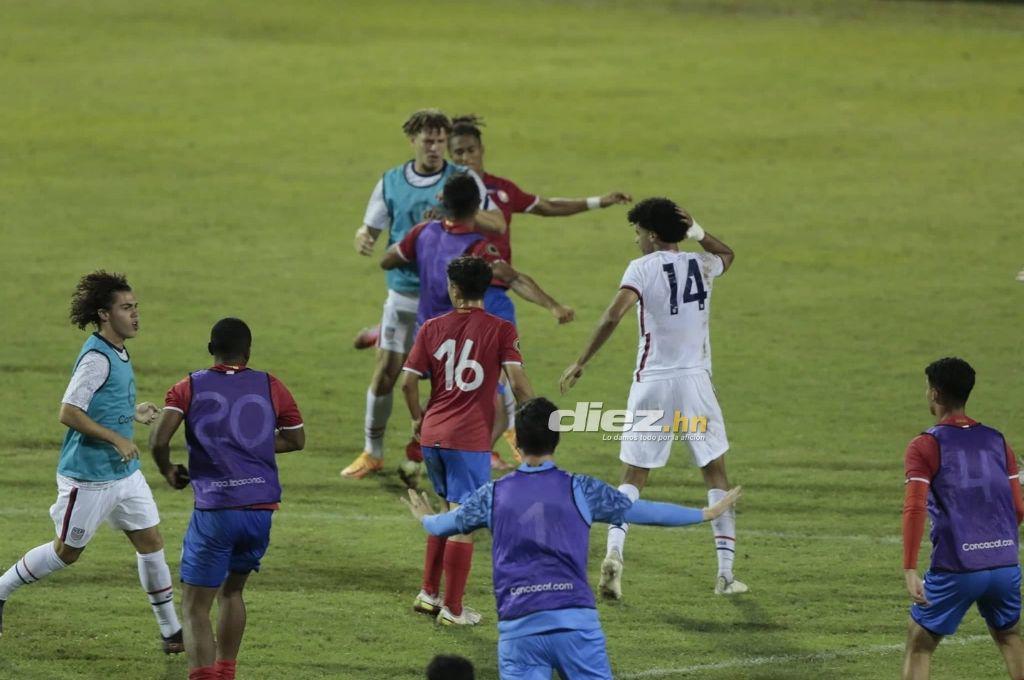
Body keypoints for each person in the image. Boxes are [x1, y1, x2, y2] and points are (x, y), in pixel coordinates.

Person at [402, 397, 741, 680]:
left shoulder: (493, 494)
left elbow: (448, 524)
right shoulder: (581, 488)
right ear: (557, 438)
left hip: (520, 630)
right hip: (576, 627)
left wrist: (425, 518)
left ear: (516, 442)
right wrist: (704, 514)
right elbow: (642, 510)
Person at [558, 197, 744, 598]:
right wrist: (697, 231)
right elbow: (727, 253)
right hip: (695, 382)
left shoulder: (641, 269)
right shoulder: (702, 264)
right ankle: (726, 574)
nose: (636, 241)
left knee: (633, 477)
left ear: (654, 235)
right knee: (714, 473)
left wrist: (581, 360)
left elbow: (613, 314)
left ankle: (614, 554)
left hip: (652, 382)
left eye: (639, 233)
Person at [0, 271, 183, 653]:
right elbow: (69, 412)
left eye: (136, 308)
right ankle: (1, 590)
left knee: (150, 542)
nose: (135, 315)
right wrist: (117, 437)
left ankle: (172, 633)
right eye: (126, 308)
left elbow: (101, 403)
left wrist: (130, 413)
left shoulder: (117, 349)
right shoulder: (96, 359)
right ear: (104, 314)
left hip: (123, 474)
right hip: (89, 477)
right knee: (66, 553)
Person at [448, 114, 630, 466]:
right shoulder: (446, 196)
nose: (464, 158)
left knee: (503, 376)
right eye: (457, 153)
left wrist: (598, 202)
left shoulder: (501, 190)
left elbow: (547, 206)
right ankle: (490, 447)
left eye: (470, 150)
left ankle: (502, 446)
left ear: (482, 149)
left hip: (495, 294)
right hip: (453, 297)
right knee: (473, 377)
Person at [343, 109, 507, 481]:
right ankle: (373, 452)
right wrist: (363, 238)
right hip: (404, 292)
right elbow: (368, 228)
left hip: (450, 299)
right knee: (387, 372)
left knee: (454, 383)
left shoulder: (463, 180)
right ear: (413, 141)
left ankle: (460, 451)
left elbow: (497, 223)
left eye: (439, 141)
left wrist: (457, 211)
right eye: (428, 140)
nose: (435, 148)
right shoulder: (391, 182)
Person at [149, 317, 305, 680]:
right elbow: (296, 440)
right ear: (248, 352)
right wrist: (247, 448)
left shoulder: (187, 387)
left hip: (217, 511)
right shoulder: (271, 385)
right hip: (260, 512)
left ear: (210, 351)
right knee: (232, 593)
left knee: (194, 606)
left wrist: (168, 470)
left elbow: (159, 440)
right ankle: (226, 672)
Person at [400, 256, 533, 626]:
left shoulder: (431, 327)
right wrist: (537, 423)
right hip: (468, 439)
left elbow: (408, 383)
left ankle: (429, 593)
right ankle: (454, 609)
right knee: (466, 521)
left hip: (433, 436)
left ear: (453, 288)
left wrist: (417, 419)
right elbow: (519, 385)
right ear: (486, 287)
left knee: (449, 511)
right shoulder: (501, 330)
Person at [901, 357, 1024, 680]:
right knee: (1010, 636)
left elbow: (914, 507)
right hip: (1005, 563)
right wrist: (998, 541)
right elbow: (1019, 508)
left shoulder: (925, 445)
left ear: (936, 394)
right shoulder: (998, 441)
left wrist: (910, 568)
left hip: (957, 566)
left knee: (920, 642)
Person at [380, 173, 575, 330]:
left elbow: (387, 261)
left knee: (410, 378)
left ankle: (380, 332)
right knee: (502, 375)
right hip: (455, 337)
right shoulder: (477, 248)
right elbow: (514, 279)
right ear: (477, 205)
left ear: (443, 201)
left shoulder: (422, 232)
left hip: (426, 334)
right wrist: (553, 306)